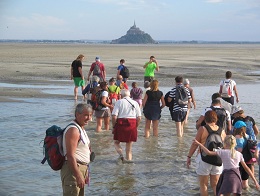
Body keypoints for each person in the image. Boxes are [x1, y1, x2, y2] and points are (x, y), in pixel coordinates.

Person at [193, 135, 259, 195]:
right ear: (235, 144)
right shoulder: (239, 154)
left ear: (224, 143)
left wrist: (199, 144)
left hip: (227, 177)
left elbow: (208, 152)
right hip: (236, 178)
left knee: (223, 193)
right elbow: (246, 168)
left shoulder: (222, 152)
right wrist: (255, 181)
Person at [187, 110, 226, 196]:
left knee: (203, 185)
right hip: (218, 159)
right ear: (216, 119)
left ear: (205, 119)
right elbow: (226, 146)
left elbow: (195, 144)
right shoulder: (222, 130)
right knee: (216, 185)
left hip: (204, 159)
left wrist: (189, 156)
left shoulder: (203, 128)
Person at [61, 103, 93, 196]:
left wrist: (85, 173)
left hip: (80, 169)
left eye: (90, 115)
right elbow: (70, 155)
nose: (89, 118)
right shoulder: (73, 130)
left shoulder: (81, 128)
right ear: (77, 114)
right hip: (73, 170)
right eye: (86, 115)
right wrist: (78, 175)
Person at [112, 89, 142, 163]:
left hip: (121, 123)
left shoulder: (119, 102)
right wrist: (136, 126)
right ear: (130, 95)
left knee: (116, 142)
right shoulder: (135, 103)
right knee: (129, 147)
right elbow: (139, 117)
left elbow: (114, 116)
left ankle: (121, 156)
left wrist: (113, 126)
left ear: (121, 95)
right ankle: (129, 165)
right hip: (132, 123)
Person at [233, 120, 257, 189]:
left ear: (236, 128)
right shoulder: (248, 136)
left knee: (238, 180)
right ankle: (247, 192)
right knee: (245, 181)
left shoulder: (238, 137)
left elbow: (239, 150)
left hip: (241, 161)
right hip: (248, 160)